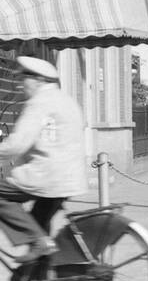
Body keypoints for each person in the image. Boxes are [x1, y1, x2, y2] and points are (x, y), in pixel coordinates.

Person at [0, 57, 86, 262]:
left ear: (38, 79)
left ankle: (39, 241)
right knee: (38, 225)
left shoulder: (39, 103)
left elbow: (17, 144)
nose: (20, 85)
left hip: (46, 176)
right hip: (70, 178)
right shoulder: (66, 100)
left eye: (23, 79)